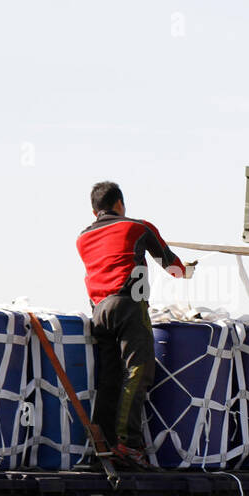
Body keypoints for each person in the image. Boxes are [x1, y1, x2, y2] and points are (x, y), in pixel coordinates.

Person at [75, 181, 194, 467]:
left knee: (109, 378)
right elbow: (172, 266)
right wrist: (188, 270)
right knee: (139, 370)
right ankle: (127, 444)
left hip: (99, 311)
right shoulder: (138, 227)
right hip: (128, 304)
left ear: (95, 211)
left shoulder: (82, 238)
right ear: (119, 204)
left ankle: (101, 444)